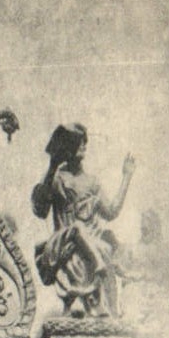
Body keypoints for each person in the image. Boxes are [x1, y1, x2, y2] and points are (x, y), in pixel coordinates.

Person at [32, 123, 135, 318]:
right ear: (66, 147)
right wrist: (52, 166)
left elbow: (111, 212)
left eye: (84, 142)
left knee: (104, 244)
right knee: (79, 229)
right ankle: (96, 271)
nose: (83, 146)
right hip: (63, 242)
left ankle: (94, 304)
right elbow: (40, 209)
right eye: (77, 142)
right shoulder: (57, 178)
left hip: (89, 243)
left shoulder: (92, 182)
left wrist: (127, 177)